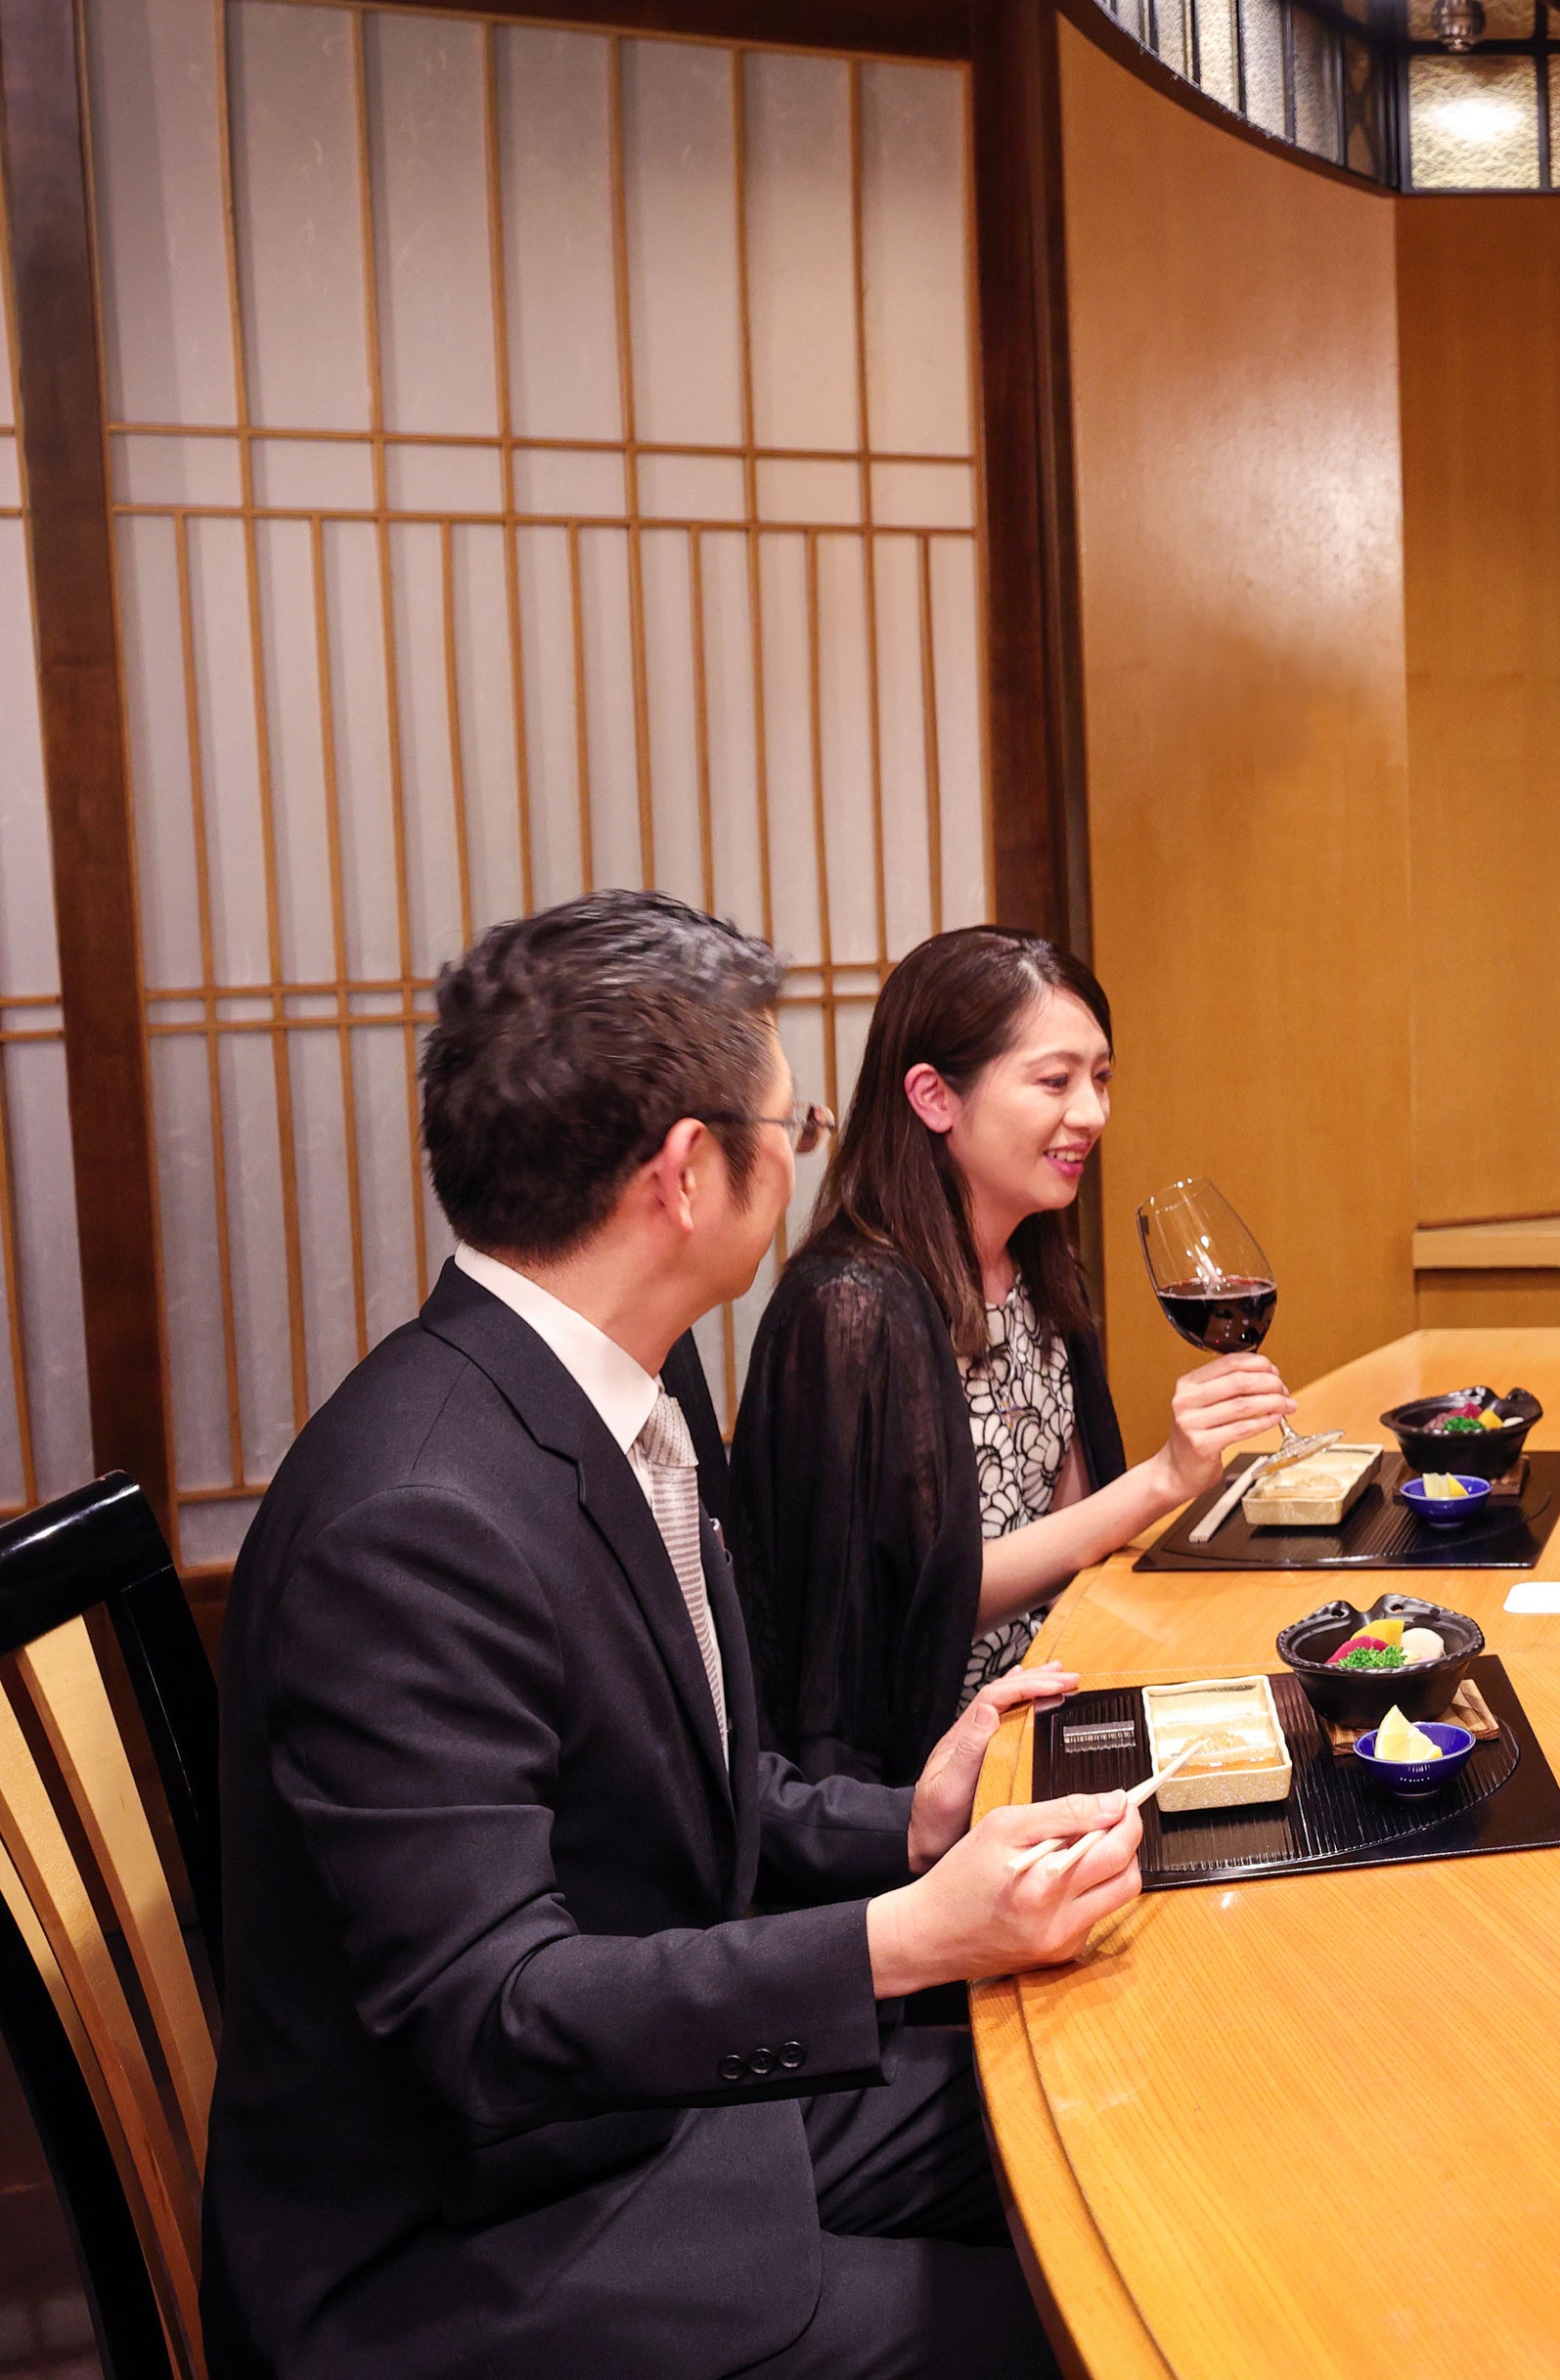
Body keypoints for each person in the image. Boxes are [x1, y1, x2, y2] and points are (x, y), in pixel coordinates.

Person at [209, 890, 1152, 2380]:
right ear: (686, 1171)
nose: (806, 1152)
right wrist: (901, 1939)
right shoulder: (415, 1518)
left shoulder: (622, 1391)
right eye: (794, 1122)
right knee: (1091, 2322)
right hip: (488, 2246)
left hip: (655, 2114)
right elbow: (496, 2013)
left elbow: (685, 1791)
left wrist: (912, 1823)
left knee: (1123, 2122)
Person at [734, 926, 1295, 1787]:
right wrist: (1164, 1477)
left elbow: (1069, 1533)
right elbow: (910, 1612)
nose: (1092, 1114)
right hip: (932, 1772)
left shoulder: (1038, 1267)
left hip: (1060, 1693)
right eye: (1055, 1081)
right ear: (934, 1097)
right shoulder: (849, 1304)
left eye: (1101, 1078)